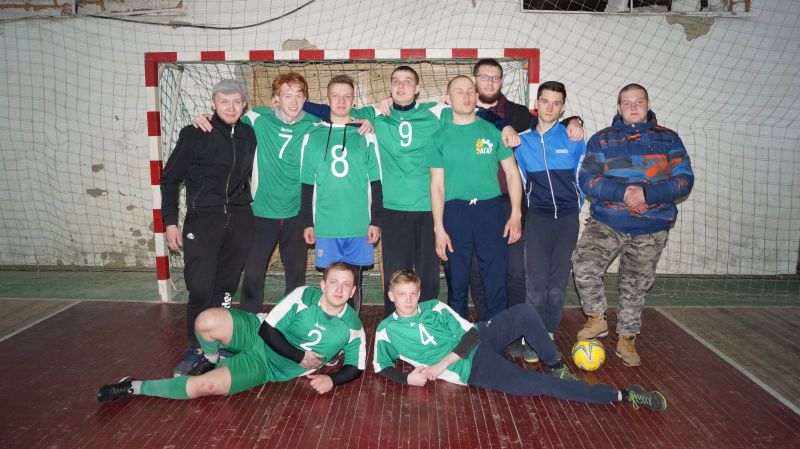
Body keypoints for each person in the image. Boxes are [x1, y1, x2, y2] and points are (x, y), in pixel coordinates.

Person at [303, 66, 519, 318]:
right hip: (393, 209)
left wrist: (505, 125)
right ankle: (394, 327)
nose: (401, 86)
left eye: (408, 81)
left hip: (429, 208)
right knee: (395, 275)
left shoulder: (435, 112)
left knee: (429, 276)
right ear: (390, 87)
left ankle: (426, 323)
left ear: (417, 89)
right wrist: (298, 105)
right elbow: (335, 110)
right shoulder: (377, 113)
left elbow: (474, 110)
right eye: (396, 81)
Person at [373, 270, 667, 411]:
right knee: (535, 385)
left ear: (419, 292)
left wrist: (439, 366)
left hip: (477, 338)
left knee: (525, 312)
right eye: (402, 294)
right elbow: (380, 366)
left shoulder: (434, 307)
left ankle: (555, 365)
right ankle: (623, 394)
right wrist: (407, 379)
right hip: (472, 367)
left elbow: (471, 333)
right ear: (391, 295)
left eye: (413, 293)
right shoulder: (387, 331)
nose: (408, 300)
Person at [96, 262, 367, 402]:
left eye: (346, 285)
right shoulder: (303, 296)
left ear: (353, 291)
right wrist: (300, 357)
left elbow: (356, 367)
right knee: (206, 320)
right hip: (255, 331)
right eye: (334, 282)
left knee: (205, 386)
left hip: (266, 367)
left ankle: (133, 386)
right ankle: (211, 358)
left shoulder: (352, 328)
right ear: (323, 285)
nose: (339, 289)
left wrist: (332, 380)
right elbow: (268, 331)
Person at [470, 59, 584, 361]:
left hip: (520, 206)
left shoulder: (521, 115)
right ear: (474, 79)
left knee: (521, 273)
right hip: (476, 204)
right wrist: (502, 125)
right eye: (484, 76)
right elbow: (475, 112)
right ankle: (489, 326)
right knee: (477, 271)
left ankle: (526, 331)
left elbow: (580, 169)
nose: (490, 82)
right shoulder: (462, 113)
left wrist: (577, 119)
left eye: (496, 77)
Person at [573, 83, 694, 367]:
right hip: (607, 221)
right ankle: (596, 318)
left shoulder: (669, 139)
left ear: (648, 104)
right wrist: (624, 194)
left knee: (635, 285)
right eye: (626, 103)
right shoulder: (602, 140)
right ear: (619, 107)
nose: (633, 107)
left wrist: (647, 195)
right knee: (584, 265)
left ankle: (627, 338)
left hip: (651, 225)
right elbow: (587, 178)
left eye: (639, 101)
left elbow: (684, 179)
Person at [160, 79, 257, 376]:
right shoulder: (194, 133)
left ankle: (221, 343)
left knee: (225, 289)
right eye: (224, 101)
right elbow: (170, 179)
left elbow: (283, 113)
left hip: (240, 221)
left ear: (244, 105)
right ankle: (197, 349)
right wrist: (170, 222)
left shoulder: (248, 134)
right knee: (201, 288)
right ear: (213, 103)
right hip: (203, 221)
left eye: (237, 101)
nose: (231, 107)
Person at [428, 75, 523, 321]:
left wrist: (516, 214)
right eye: (459, 91)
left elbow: (512, 174)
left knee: (495, 277)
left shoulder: (493, 131)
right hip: (455, 212)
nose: (466, 95)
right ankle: (458, 334)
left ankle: (496, 334)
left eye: (470, 90)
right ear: (448, 99)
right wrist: (439, 227)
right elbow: (437, 185)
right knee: (457, 279)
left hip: (490, 210)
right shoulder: (438, 137)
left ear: (477, 96)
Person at [514, 81, 586, 362]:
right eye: (545, 101)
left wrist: (574, 206)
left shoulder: (573, 138)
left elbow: (582, 176)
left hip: (567, 219)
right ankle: (532, 337)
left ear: (563, 108)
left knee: (557, 283)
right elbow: (520, 180)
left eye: (556, 103)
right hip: (538, 219)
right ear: (536, 103)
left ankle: (549, 332)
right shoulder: (521, 142)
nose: (550, 107)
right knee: (535, 283)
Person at [300, 75, 383, 314]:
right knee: (331, 282)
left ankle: (351, 328)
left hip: (358, 224)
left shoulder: (366, 134)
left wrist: (376, 221)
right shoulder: (313, 135)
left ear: (353, 100)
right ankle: (330, 329)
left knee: (352, 282)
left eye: (347, 96)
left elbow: (376, 182)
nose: (341, 101)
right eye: (336, 96)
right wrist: (307, 222)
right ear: (327, 100)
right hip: (326, 225)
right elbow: (307, 184)